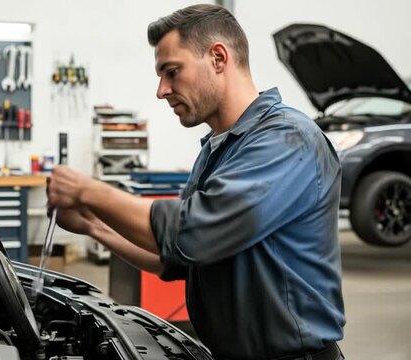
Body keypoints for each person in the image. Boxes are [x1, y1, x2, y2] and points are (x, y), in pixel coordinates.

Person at [47, 4, 345, 360]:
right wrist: (93, 226)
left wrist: (87, 190)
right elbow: (177, 261)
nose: (162, 90)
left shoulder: (287, 139)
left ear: (218, 58)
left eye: (172, 72)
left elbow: (192, 233)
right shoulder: (217, 148)